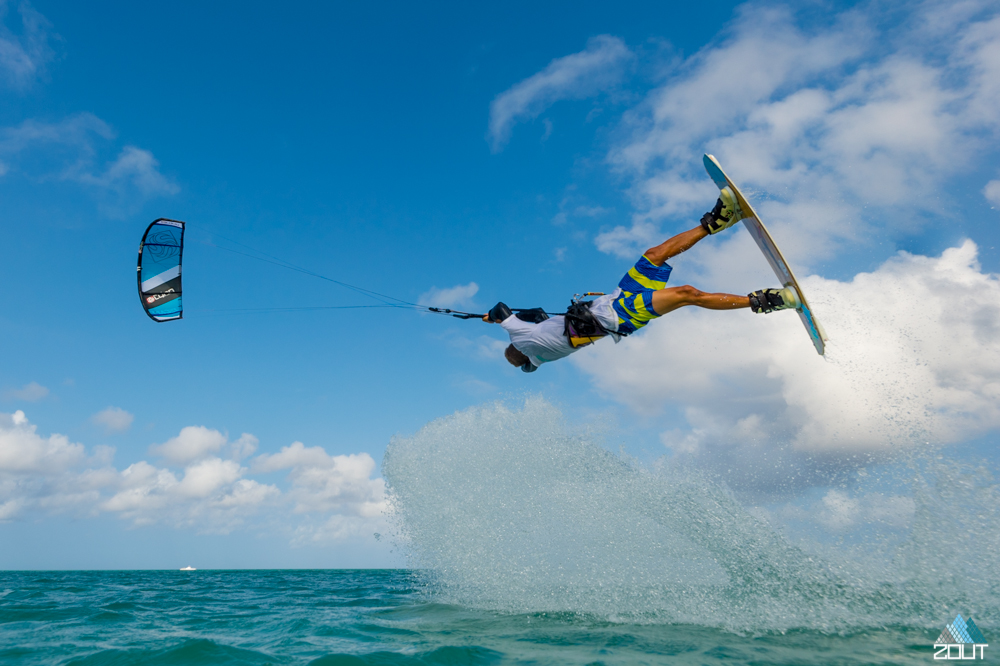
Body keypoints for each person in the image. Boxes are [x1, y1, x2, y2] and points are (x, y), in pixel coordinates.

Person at [483, 191, 800, 372]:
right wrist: (493, 318)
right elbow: (504, 310)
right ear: (517, 348)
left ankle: (719, 220)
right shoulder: (522, 339)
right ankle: (765, 301)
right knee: (687, 293)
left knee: (654, 255)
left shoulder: (539, 353)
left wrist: (514, 318)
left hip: (615, 300)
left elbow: (537, 317)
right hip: (622, 315)